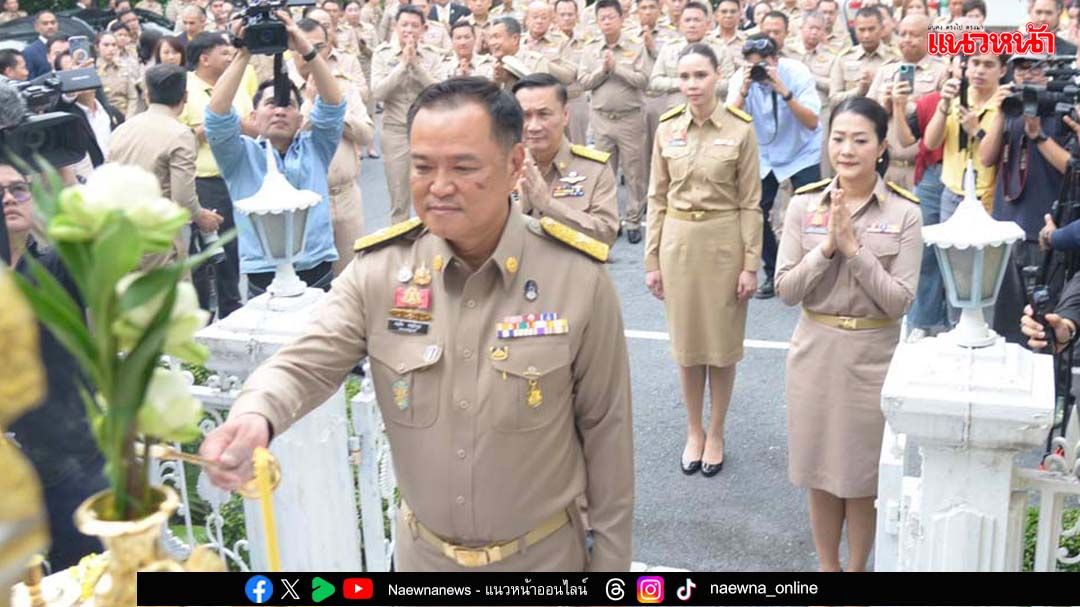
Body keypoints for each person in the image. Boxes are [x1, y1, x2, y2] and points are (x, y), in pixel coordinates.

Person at [199, 76, 634, 572]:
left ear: (515, 166)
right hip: (424, 562)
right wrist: (256, 413)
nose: (439, 186)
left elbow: (608, 435)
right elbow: (305, 362)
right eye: (423, 167)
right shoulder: (380, 272)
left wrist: (612, 570)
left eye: (463, 167)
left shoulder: (576, 279)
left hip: (543, 562)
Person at [775, 97, 922, 573]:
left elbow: (899, 301)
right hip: (815, 351)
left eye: (860, 140)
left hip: (873, 355)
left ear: (881, 147)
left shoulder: (905, 214)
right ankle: (827, 569)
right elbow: (786, 290)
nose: (847, 149)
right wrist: (827, 251)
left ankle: (857, 570)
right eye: (838, 138)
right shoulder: (803, 204)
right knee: (819, 472)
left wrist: (855, 250)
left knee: (861, 479)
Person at [646, 43, 761, 477]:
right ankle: (693, 430)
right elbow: (656, 197)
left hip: (723, 242)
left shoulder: (739, 129)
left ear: (718, 76)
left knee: (722, 346)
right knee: (688, 347)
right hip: (678, 244)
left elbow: (751, 202)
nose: (692, 85)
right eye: (685, 77)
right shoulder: (667, 128)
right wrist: (651, 260)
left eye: (700, 76)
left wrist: (751, 263)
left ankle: (716, 431)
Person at [4, 163, 108, 571]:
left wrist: (63, 166)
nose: (9, 198)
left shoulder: (55, 268)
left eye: (18, 189)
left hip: (72, 462)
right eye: (0, 193)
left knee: (86, 578)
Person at [205, 10, 344, 295]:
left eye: (288, 105)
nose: (280, 110)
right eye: (271, 104)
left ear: (301, 118)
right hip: (262, 271)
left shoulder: (316, 147)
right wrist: (244, 52)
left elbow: (333, 105)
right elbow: (216, 117)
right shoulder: (238, 157)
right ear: (253, 117)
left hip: (316, 267)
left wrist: (303, 46)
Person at [979, 53, 1069, 343]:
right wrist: (1001, 113)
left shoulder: (1063, 108)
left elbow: (1071, 167)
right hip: (1006, 229)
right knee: (1006, 323)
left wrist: (1038, 135)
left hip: (1044, 232)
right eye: (1021, 68)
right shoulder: (1012, 109)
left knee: (1042, 324)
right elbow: (986, 157)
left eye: (1035, 68)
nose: (1027, 74)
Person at [727, 33, 822, 299]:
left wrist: (785, 91)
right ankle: (773, 270)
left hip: (802, 149)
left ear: (776, 60)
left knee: (812, 212)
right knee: (756, 212)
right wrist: (744, 91)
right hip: (764, 153)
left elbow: (812, 122)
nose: (760, 70)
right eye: (753, 64)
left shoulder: (797, 73)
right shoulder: (741, 79)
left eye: (764, 64)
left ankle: (811, 273)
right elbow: (728, 124)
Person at [108, 64, 223, 265]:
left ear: (147, 96)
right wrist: (201, 216)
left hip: (118, 233)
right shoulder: (180, 135)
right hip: (158, 235)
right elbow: (182, 198)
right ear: (185, 97)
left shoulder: (122, 130)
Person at [294, 17, 375, 277]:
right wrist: (309, 102)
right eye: (303, 47)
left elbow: (365, 134)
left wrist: (333, 110)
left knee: (351, 276)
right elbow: (289, 139)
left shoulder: (343, 86)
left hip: (346, 195)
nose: (310, 54)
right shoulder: (280, 88)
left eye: (318, 47)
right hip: (303, 200)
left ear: (328, 49)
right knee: (310, 280)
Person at [179, 32, 252, 318]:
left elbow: (250, 120)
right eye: (224, 53)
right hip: (204, 181)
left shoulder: (237, 84)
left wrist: (241, 125)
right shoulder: (185, 89)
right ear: (204, 58)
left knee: (234, 246)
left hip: (238, 177)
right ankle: (202, 314)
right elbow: (174, 135)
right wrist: (207, 130)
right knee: (207, 249)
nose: (230, 57)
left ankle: (232, 306)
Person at [513, 73, 619, 245]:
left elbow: (607, 236)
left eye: (544, 114)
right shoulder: (505, 167)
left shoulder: (593, 168)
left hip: (575, 270)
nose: (533, 126)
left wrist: (548, 205)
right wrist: (520, 210)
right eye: (525, 116)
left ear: (565, 115)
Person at [580, 0, 649, 244]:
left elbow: (643, 80)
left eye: (611, 17)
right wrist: (603, 70)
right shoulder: (590, 50)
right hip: (602, 121)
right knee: (604, 174)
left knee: (634, 173)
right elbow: (583, 82)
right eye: (602, 18)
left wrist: (617, 68)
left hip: (630, 120)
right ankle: (611, 221)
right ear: (597, 21)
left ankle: (633, 220)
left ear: (621, 19)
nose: (607, 22)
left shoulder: (635, 47)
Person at [373, 5, 443, 224]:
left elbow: (441, 91)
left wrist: (417, 66)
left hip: (429, 131)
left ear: (424, 29)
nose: (409, 30)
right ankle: (401, 249)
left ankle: (433, 243)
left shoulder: (433, 56)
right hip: (396, 131)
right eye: (404, 25)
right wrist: (402, 65)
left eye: (415, 25)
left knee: (433, 192)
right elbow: (378, 92)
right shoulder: (383, 55)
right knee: (399, 198)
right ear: (395, 27)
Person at [868, 13, 948, 190]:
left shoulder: (941, 72)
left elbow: (940, 118)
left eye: (914, 35)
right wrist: (885, 106)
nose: (907, 39)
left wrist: (905, 105)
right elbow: (866, 115)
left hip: (922, 169)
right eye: (903, 34)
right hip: (886, 166)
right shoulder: (886, 70)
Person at [649, 3, 736, 143]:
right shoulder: (669, 48)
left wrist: (705, 86)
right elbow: (654, 82)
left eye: (697, 20)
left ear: (707, 24)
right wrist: (683, 83)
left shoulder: (720, 49)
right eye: (687, 20)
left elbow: (730, 84)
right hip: (677, 116)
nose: (692, 25)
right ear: (680, 24)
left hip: (712, 117)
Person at [828, 6, 896, 107]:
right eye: (862, 30)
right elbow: (833, 100)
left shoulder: (895, 58)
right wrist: (859, 91)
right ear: (855, 30)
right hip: (852, 117)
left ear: (881, 29)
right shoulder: (844, 58)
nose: (866, 35)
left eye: (871, 29)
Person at [554, 0, 590, 144]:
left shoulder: (586, 42)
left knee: (578, 146)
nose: (567, 18)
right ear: (555, 17)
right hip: (553, 100)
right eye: (562, 14)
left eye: (570, 14)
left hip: (576, 100)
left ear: (577, 16)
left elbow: (581, 71)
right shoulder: (547, 41)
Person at [23, 11, 58, 79]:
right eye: (45, 23)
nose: (50, 26)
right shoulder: (29, 52)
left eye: (53, 23)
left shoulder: (66, 45)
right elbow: (31, 79)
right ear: (36, 27)